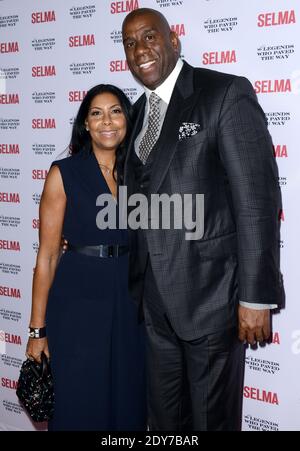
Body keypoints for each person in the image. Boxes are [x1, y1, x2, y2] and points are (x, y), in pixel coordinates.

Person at [121, 8, 284, 431]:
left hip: (212, 297)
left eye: (149, 37)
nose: (140, 50)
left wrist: (255, 297)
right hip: (155, 304)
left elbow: (256, 200)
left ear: (174, 41)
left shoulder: (224, 93)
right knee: (164, 423)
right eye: (130, 43)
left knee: (211, 423)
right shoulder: (138, 113)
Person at [25, 84, 147, 431]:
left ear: (128, 120)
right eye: (96, 113)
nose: (107, 120)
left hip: (130, 302)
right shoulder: (63, 173)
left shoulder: (140, 175)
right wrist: (37, 331)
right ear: (86, 125)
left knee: (129, 401)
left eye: (116, 111)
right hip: (78, 299)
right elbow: (47, 256)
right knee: (79, 399)